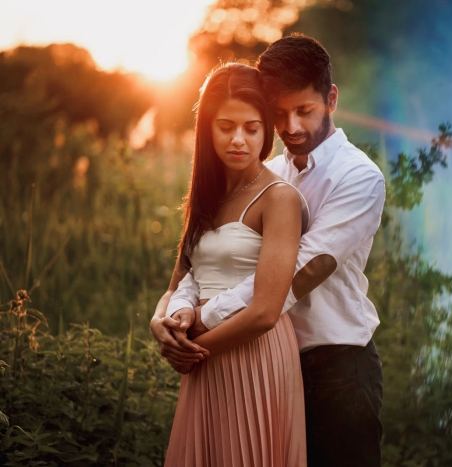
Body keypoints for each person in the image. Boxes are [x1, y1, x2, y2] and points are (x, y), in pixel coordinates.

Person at [152, 34, 386, 466]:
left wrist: (198, 323)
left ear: (331, 99)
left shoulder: (357, 177)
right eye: (279, 114)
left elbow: (300, 274)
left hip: (337, 365)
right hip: (268, 359)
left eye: (305, 111)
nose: (292, 127)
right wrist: (168, 312)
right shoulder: (270, 172)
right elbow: (201, 262)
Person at [155, 62, 307, 466]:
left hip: (252, 354)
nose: (238, 139)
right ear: (207, 128)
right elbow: (179, 283)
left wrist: (190, 351)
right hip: (204, 361)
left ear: (266, 131)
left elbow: (265, 311)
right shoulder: (206, 197)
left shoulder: (280, 199)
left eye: (251, 127)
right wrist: (159, 324)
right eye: (225, 126)